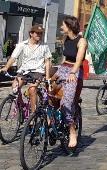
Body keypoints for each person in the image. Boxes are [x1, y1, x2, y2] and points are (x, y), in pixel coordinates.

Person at [0, 24, 52, 116]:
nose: (39, 35)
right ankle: (21, 105)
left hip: (38, 71)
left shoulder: (44, 46)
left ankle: (33, 114)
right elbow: (13, 57)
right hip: (24, 70)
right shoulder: (22, 45)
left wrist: (47, 77)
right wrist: (6, 67)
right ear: (31, 33)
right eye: (37, 33)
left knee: (32, 89)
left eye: (41, 33)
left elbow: (47, 61)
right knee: (15, 87)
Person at [55, 17, 87, 151]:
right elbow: (64, 59)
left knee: (67, 103)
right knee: (49, 94)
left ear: (69, 26)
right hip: (63, 69)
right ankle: (51, 120)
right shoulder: (66, 39)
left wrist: (72, 73)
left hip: (75, 71)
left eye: (62, 25)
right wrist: (55, 74)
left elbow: (79, 59)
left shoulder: (82, 41)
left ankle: (72, 130)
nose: (61, 27)